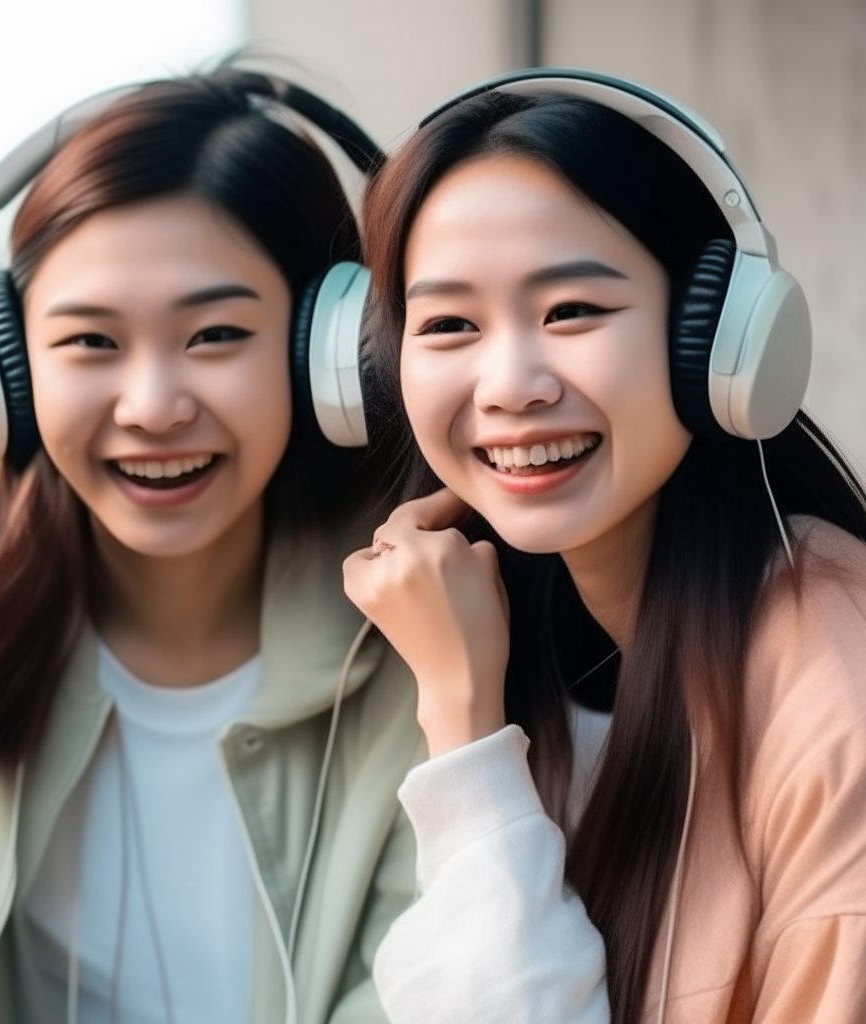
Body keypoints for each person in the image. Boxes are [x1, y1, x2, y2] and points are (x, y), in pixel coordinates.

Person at [0, 69, 430, 1024]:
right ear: (4, 371)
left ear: (329, 355)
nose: (155, 407)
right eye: (90, 343)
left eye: (215, 335)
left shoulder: (421, 652)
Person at [344, 71, 866, 1024]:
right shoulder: (512, 625)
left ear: (712, 335)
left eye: (572, 311)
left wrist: (465, 735)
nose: (510, 384)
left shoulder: (834, 669)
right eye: (450, 324)